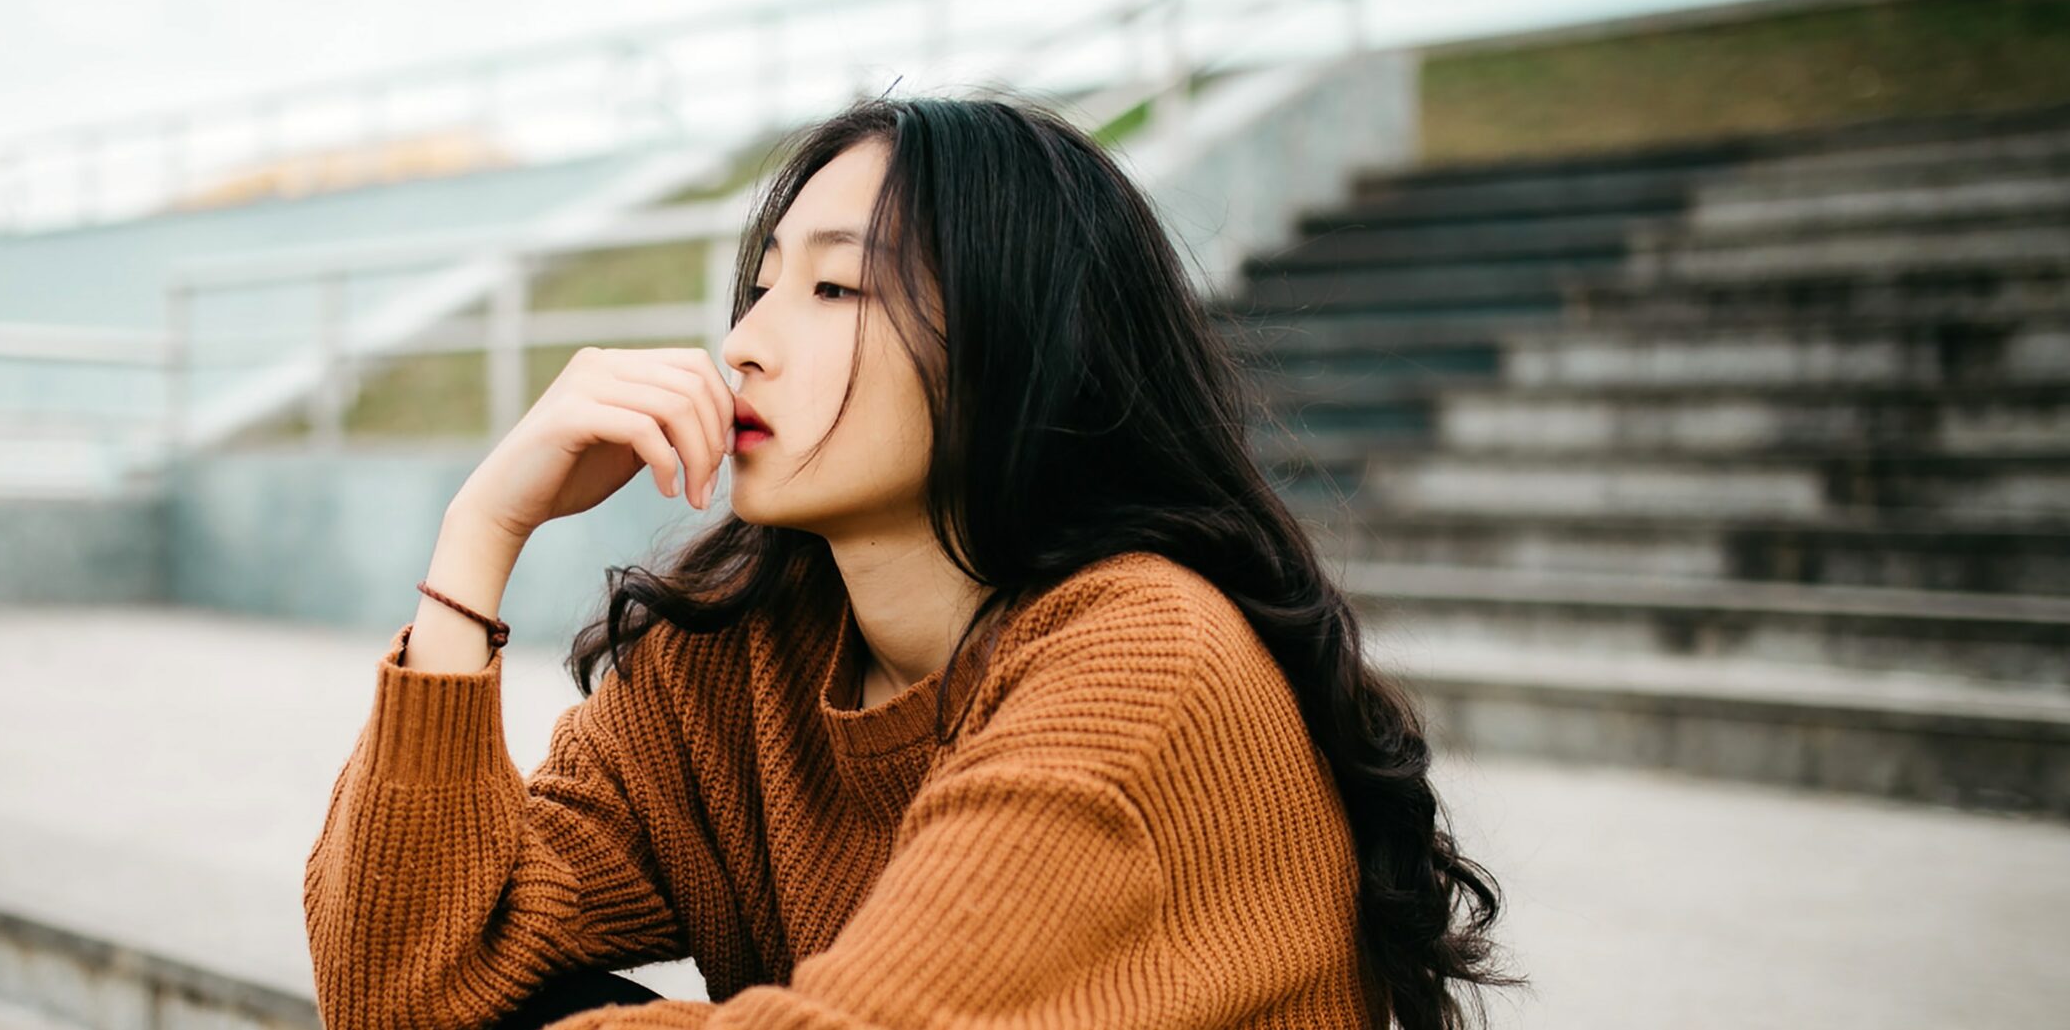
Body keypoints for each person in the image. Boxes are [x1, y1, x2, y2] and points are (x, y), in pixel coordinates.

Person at [302, 91, 1523, 1029]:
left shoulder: (1144, 660)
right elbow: (392, 981)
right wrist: (479, 538)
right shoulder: (733, 655)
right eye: (761, 283)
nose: (746, 344)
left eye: (835, 286)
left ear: (1012, 345)